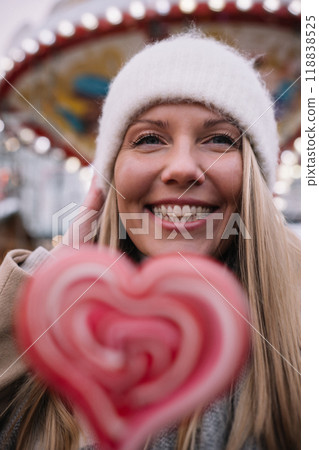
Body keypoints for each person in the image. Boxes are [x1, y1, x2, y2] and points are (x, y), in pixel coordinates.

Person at [0, 30, 300, 450]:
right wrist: (40, 289)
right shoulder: (51, 332)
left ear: (255, 177)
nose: (181, 168)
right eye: (148, 139)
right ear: (109, 178)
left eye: (218, 139)